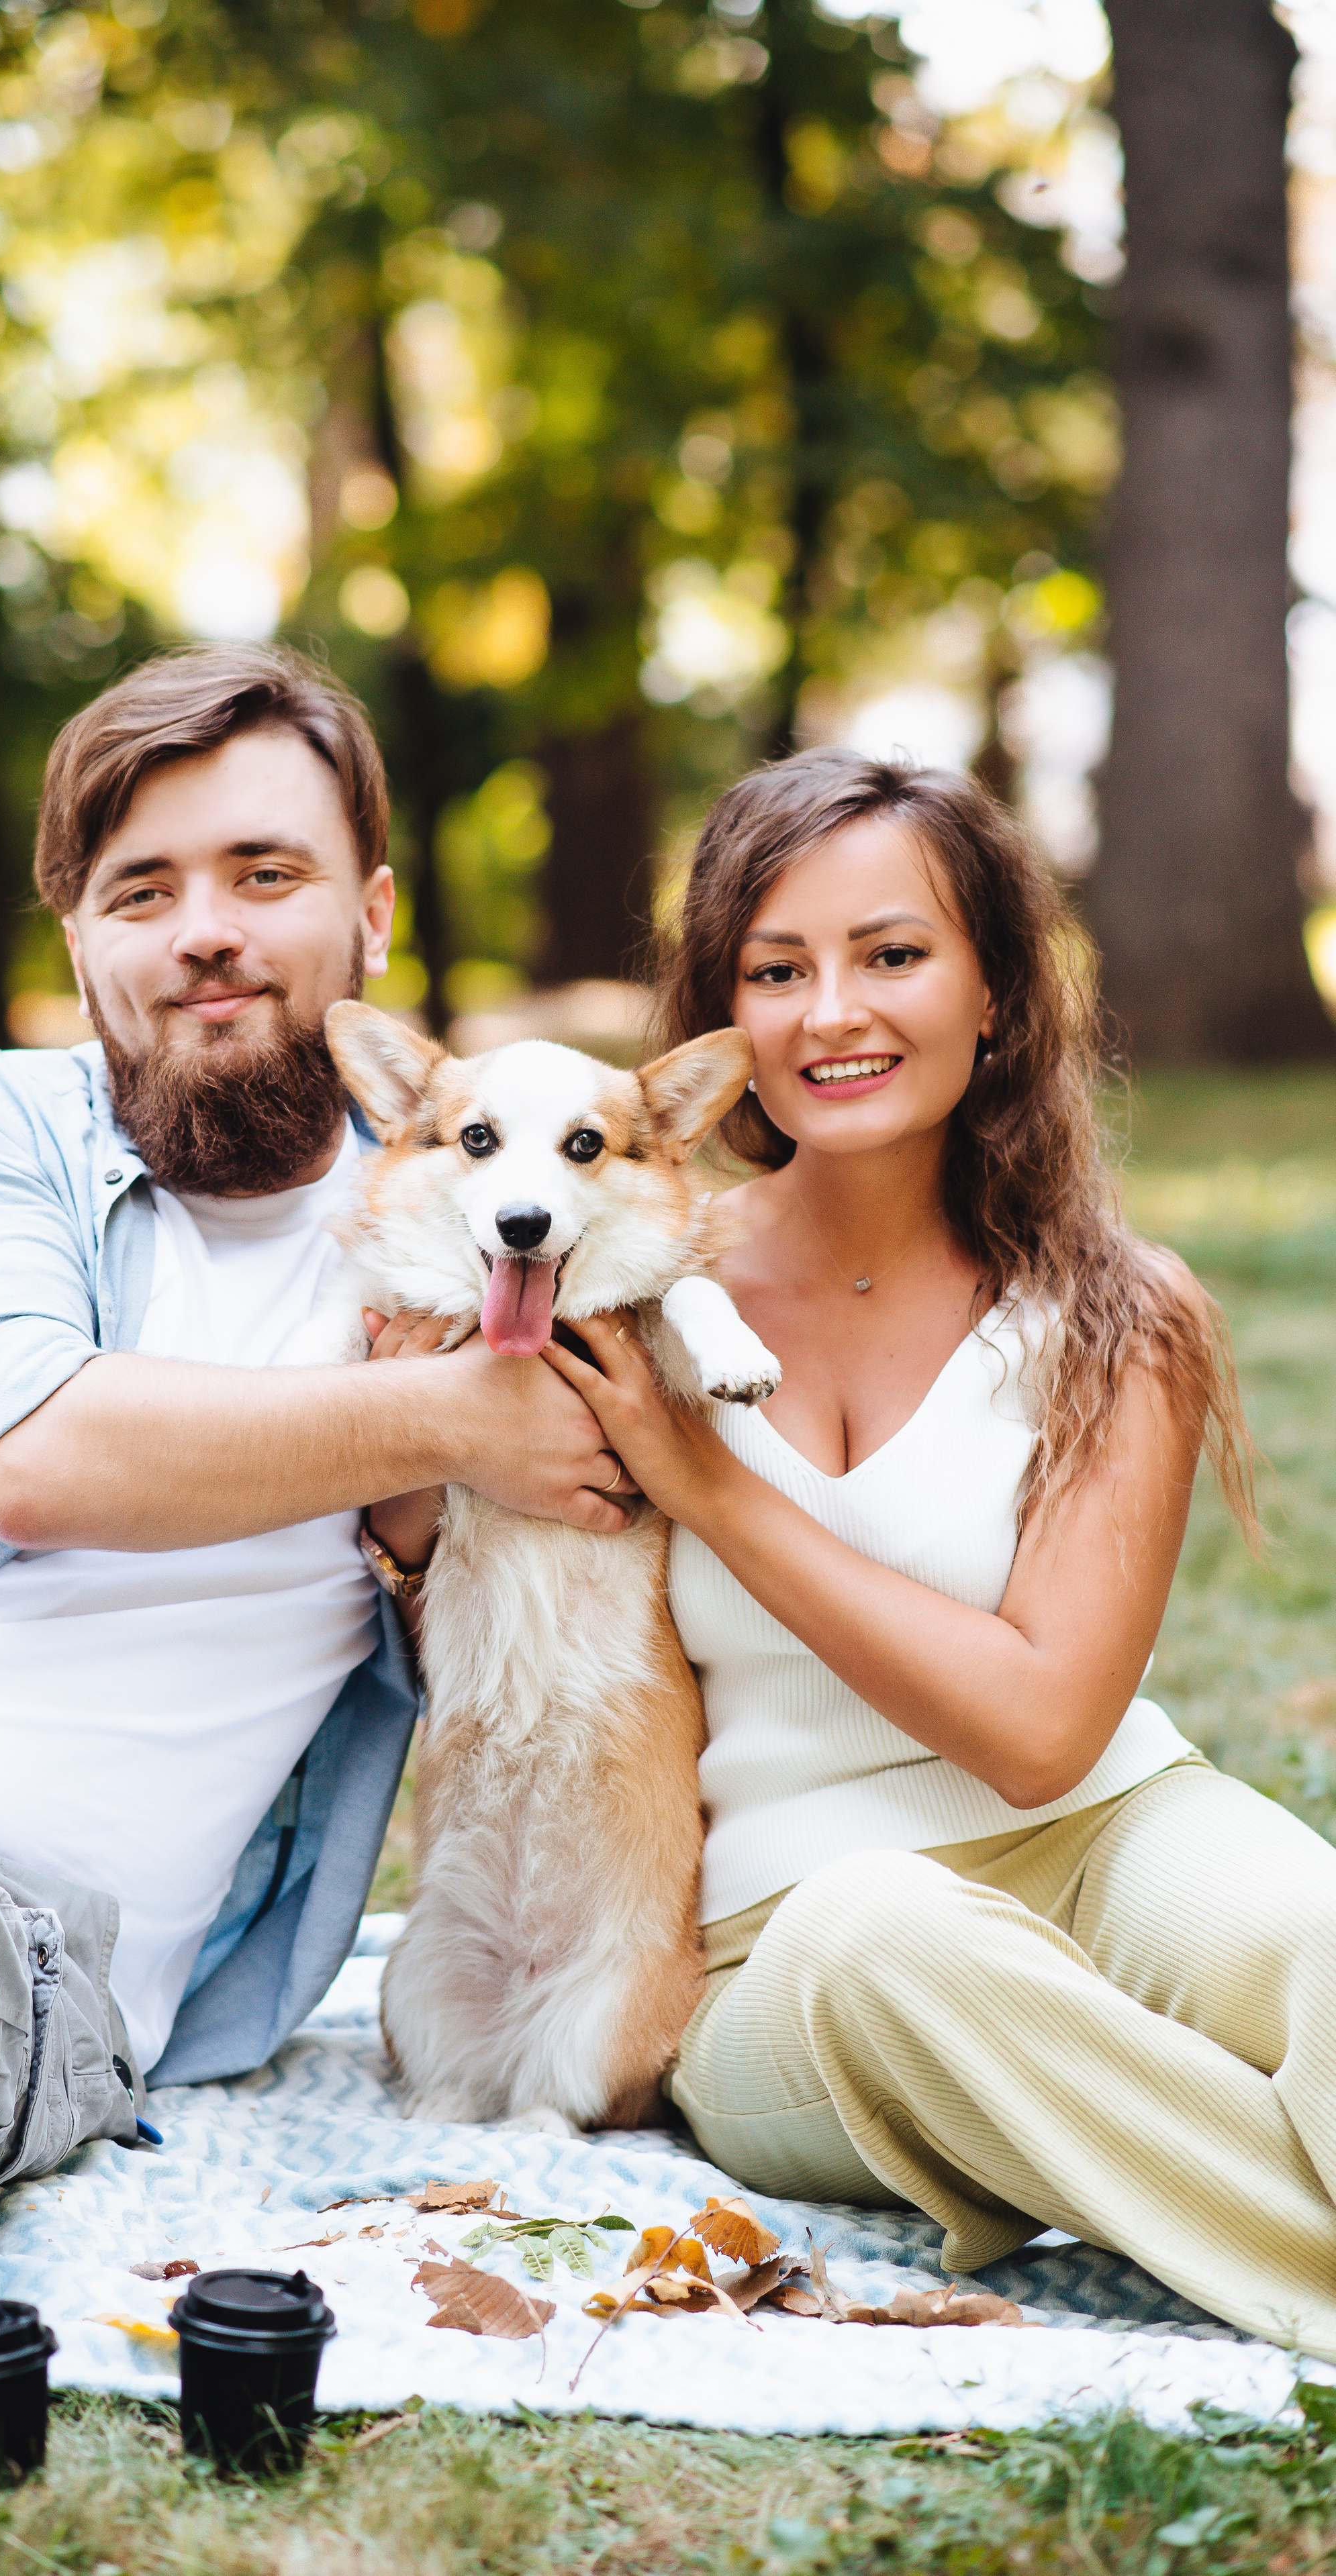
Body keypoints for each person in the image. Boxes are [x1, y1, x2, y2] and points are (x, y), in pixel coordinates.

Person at [0, 642, 632, 2288]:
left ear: (372, 913)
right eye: (141, 890)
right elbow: (35, 1453)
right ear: (81, 941)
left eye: (264, 873)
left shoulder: (497, 1222)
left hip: (0, 1961)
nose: (203, 929)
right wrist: (448, 1419)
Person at [542, 746, 1336, 2361]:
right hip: (789, 1940)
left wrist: (713, 1491)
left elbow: (1040, 1731)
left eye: (890, 953)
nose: (830, 1012)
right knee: (887, 1933)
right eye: (776, 970)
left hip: (1100, 1832)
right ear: (721, 1017)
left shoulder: (1115, 1310)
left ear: (992, 991)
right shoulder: (623, 1294)